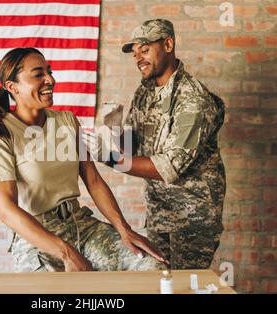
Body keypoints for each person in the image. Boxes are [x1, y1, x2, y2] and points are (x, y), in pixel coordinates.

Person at [0, 47, 167, 272]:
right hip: (36, 238)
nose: (50, 80)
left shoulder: (66, 121)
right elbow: (6, 209)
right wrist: (66, 253)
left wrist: (124, 229)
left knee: (153, 267)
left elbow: (94, 182)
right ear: (12, 87)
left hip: (81, 227)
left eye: (49, 72)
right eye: (38, 74)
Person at [85, 19, 226, 270]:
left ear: (168, 44)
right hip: (159, 212)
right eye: (135, 52)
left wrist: (109, 158)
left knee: (185, 285)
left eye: (145, 49)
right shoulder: (145, 92)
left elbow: (167, 167)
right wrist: (114, 131)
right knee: (159, 281)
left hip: (193, 217)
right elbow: (133, 149)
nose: (138, 57)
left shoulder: (192, 99)